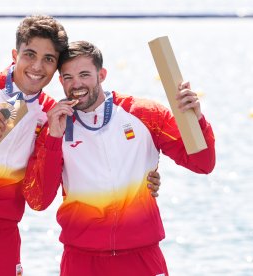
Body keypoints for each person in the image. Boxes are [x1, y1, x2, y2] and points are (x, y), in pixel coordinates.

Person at [0, 15, 161, 275]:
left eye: (49, 59)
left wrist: (141, 177)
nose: (38, 66)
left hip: (0, 240)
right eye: (30, 55)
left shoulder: (50, 114)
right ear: (15, 53)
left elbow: (39, 200)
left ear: (56, 70)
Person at [23, 40, 216, 276]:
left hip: (142, 257)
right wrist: (54, 138)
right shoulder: (55, 125)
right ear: (60, 81)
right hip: (82, 260)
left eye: (85, 74)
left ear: (102, 74)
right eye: (68, 78)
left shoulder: (145, 114)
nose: (77, 85)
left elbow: (202, 164)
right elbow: (38, 200)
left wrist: (196, 121)